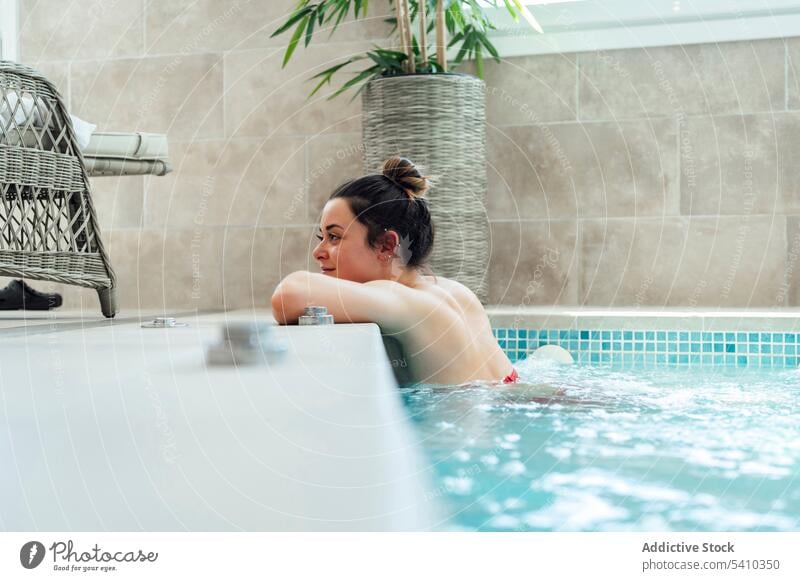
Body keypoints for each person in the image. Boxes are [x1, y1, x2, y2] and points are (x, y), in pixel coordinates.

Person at [271, 156, 518, 385]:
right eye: (321, 237)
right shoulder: (454, 292)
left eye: (334, 237)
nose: (318, 252)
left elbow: (288, 295)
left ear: (386, 245)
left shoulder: (399, 299)